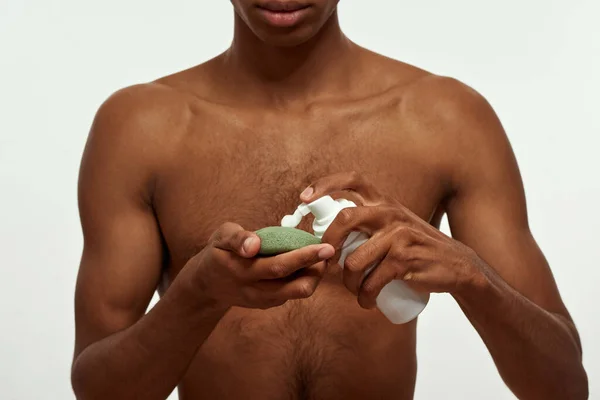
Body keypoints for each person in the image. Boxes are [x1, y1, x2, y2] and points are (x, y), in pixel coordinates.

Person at [70, 1, 589, 399]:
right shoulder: (140, 129)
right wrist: (198, 295)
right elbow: (97, 388)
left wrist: (473, 276)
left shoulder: (445, 119)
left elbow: (563, 383)